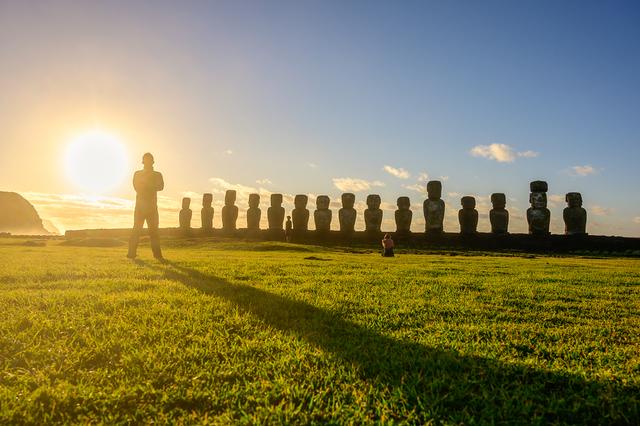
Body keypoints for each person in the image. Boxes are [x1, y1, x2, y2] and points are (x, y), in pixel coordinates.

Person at [127, 153, 164, 260]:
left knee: (154, 231)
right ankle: (131, 254)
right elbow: (136, 186)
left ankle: (157, 255)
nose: (147, 162)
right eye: (146, 160)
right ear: (143, 161)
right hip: (140, 207)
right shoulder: (137, 174)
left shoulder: (157, 174)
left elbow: (161, 186)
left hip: (152, 207)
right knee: (136, 230)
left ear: (153, 161)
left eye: (149, 160)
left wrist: (147, 185)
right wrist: (151, 186)